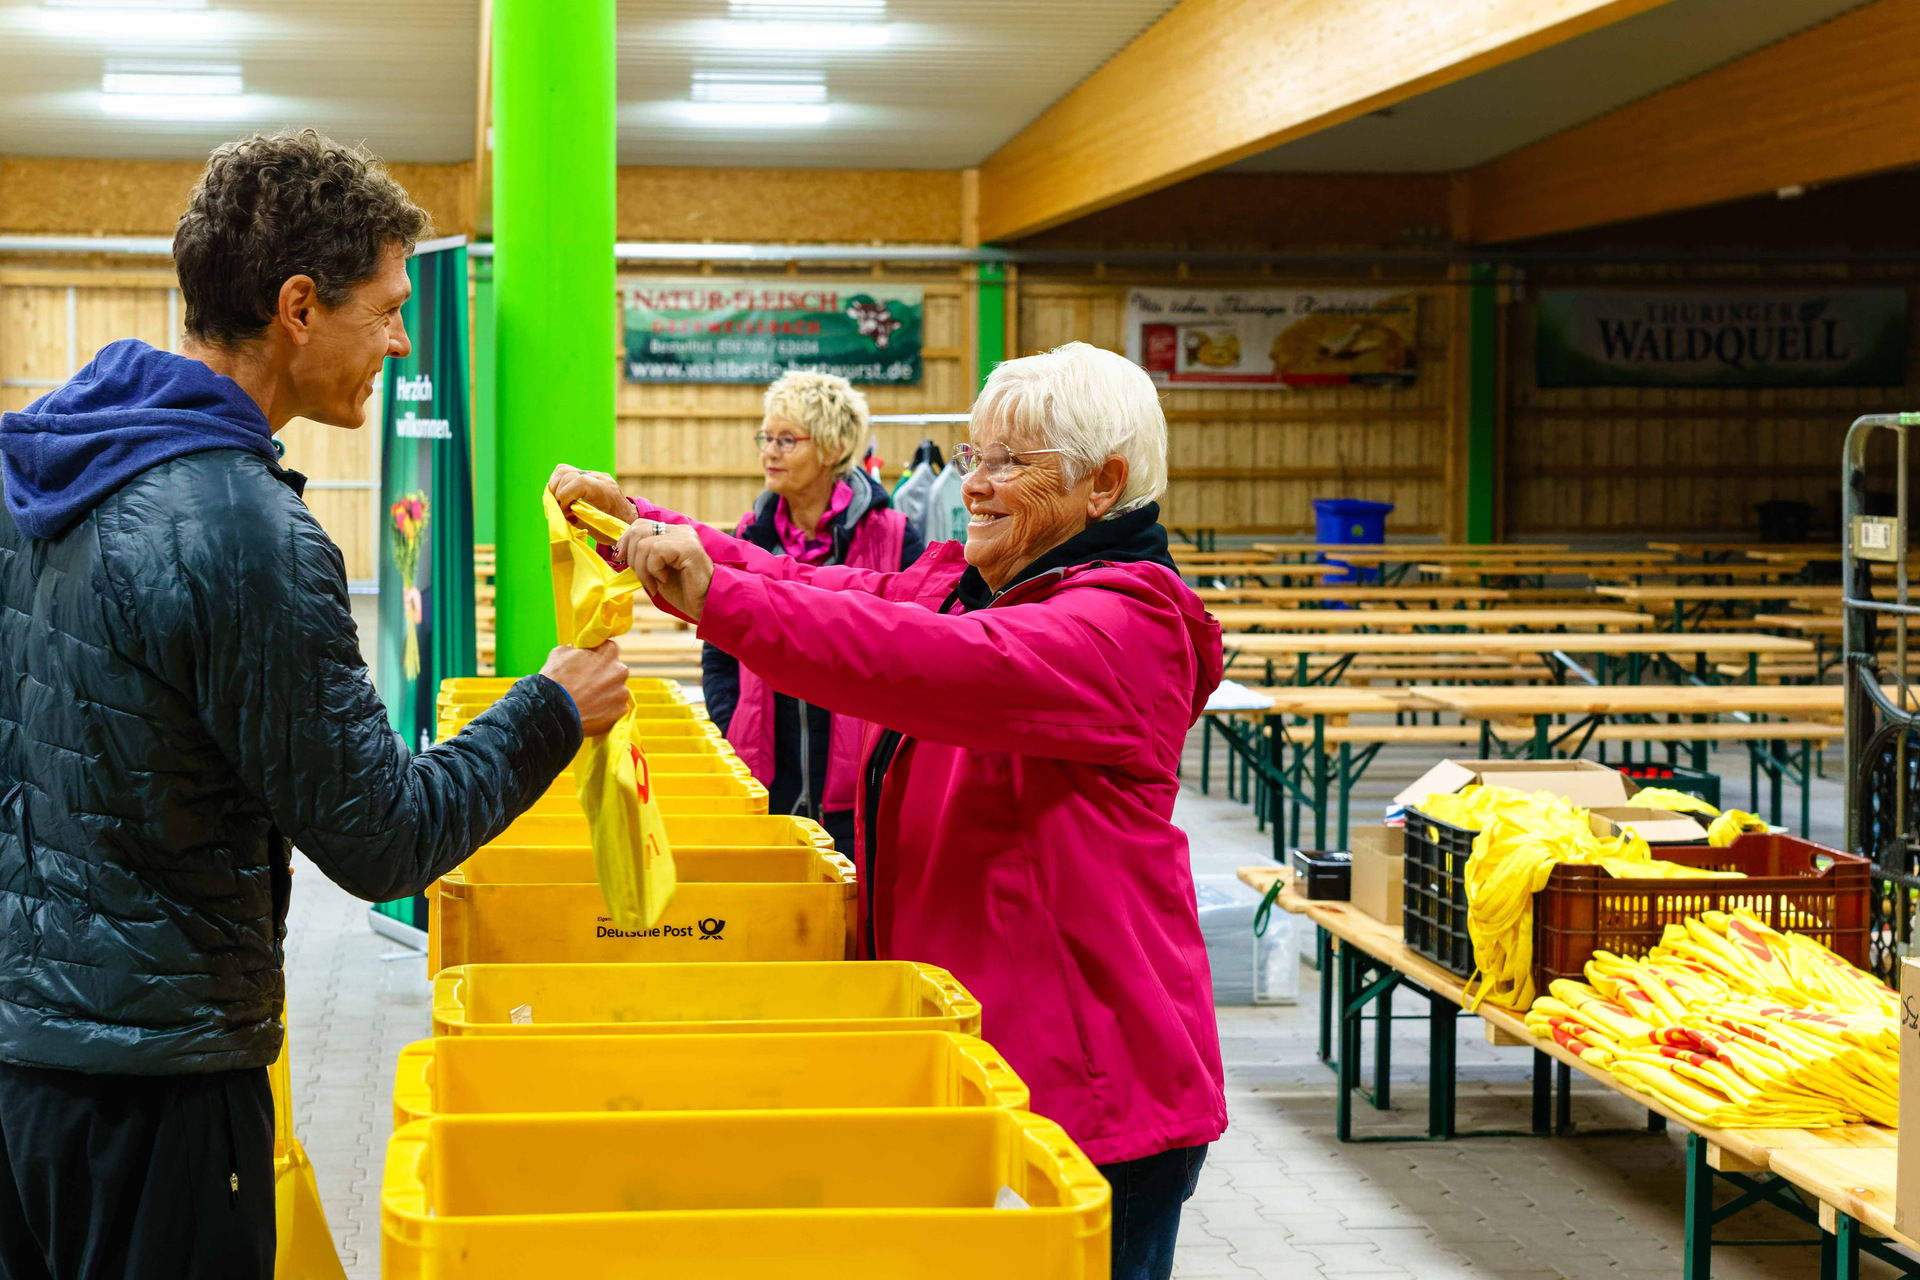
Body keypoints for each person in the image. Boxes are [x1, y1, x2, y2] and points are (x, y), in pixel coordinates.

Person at [0, 130, 628, 1280]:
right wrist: (550, 705)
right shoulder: (248, 530)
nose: (401, 341)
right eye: (386, 310)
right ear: (299, 307)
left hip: (22, 1059)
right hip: (160, 1091)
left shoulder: (42, 471)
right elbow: (382, 834)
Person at [552, 341, 1226, 1280]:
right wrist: (642, 526)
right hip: (983, 1064)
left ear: (1102, 485)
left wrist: (716, 596)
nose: (974, 485)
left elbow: (917, 659)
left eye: (1010, 463)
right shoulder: (979, 583)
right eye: (975, 455)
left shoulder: (1124, 624)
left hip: (1093, 1093)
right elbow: (819, 586)